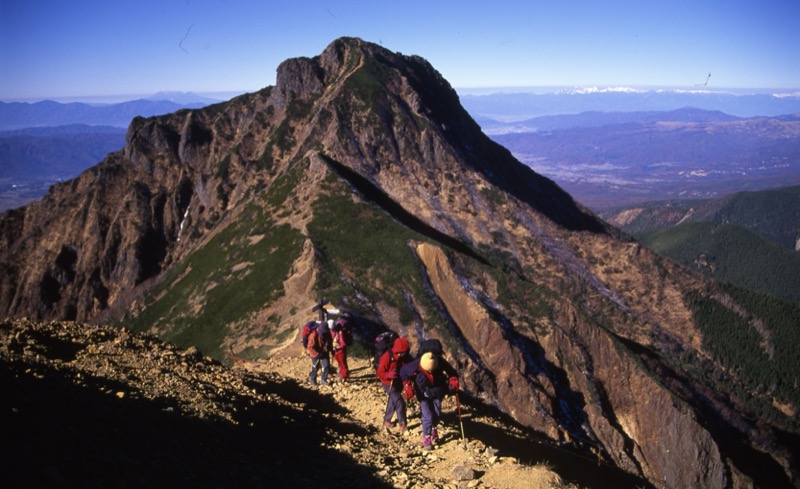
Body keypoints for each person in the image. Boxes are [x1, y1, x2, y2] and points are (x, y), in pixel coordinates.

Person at [413, 351, 459, 450]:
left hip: (436, 395)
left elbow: (444, 382)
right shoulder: (419, 375)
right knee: (427, 416)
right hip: (425, 397)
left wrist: (451, 386)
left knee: (437, 414)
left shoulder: (438, 371)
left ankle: (434, 428)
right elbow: (419, 389)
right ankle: (427, 437)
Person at [376, 337, 412, 432]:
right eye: (401, 353)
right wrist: (388, 375)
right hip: (388, 383)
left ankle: (386, 420)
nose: (402, 355)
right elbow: (379, 373)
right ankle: (402, 424)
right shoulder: (386, 357)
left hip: (398, 382)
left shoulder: (404, 357)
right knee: (400, 402)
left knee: (393, 401)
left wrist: (407, 385)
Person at [307, 319, 333, 386]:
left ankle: (323, 380)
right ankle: (313, 380)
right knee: (315, 367)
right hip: (315, 352)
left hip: (324, 351)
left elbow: (329, 341)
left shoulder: (327, 332)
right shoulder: (313, 335)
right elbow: (310, 347)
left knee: (326, 366)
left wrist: (329, 349)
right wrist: (316, 354)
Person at [330, 317, 350, 382]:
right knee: (341, 363)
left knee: (342, 363)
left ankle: (344, 377)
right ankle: (343, 375)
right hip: (337, 350)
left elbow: (343, 343)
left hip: (340, 350)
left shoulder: (340, 333)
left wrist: (337, 347)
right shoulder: (335, 331)